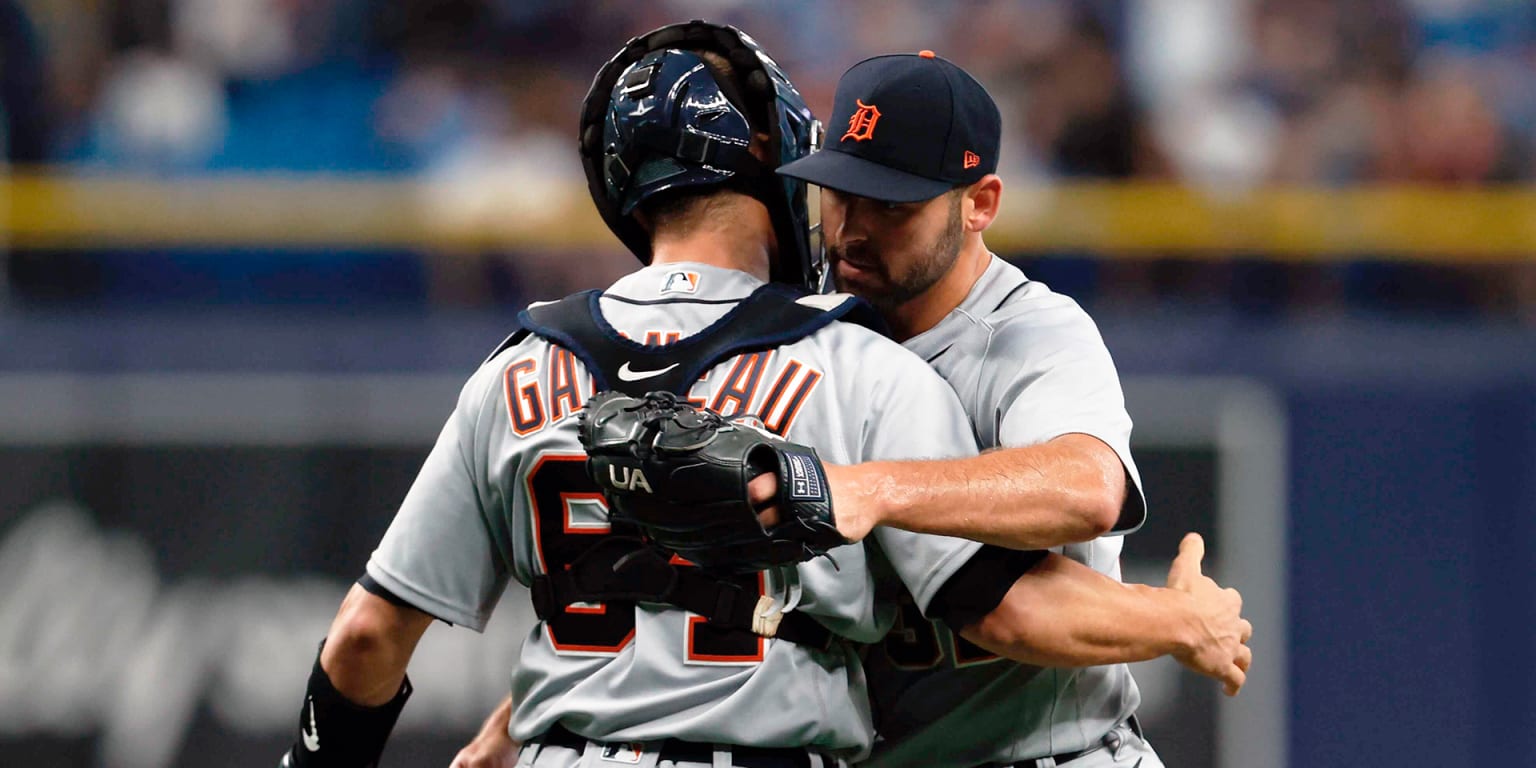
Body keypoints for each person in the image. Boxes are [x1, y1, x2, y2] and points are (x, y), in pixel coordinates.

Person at [281, 24, 1248, 768]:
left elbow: (1082, 495)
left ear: (980, 203)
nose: (856, 226)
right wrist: (537, 704)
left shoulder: (1031, 333)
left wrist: (874, 489)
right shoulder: (824, 337)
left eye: (893, 203)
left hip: (1049, 749)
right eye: (842, 190)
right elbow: (661, 565)